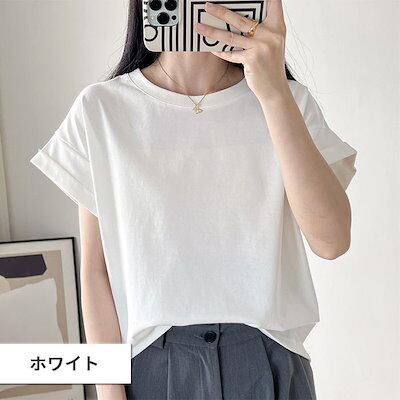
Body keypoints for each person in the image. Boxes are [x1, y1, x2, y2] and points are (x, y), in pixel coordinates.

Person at [30, 1, 357, 399]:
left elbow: (331, 241)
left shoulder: (288, 101)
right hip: (151, 367)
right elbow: (96, 273)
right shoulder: (101, 109)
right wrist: (109, 392)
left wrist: (273, 94)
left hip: (267, 359)